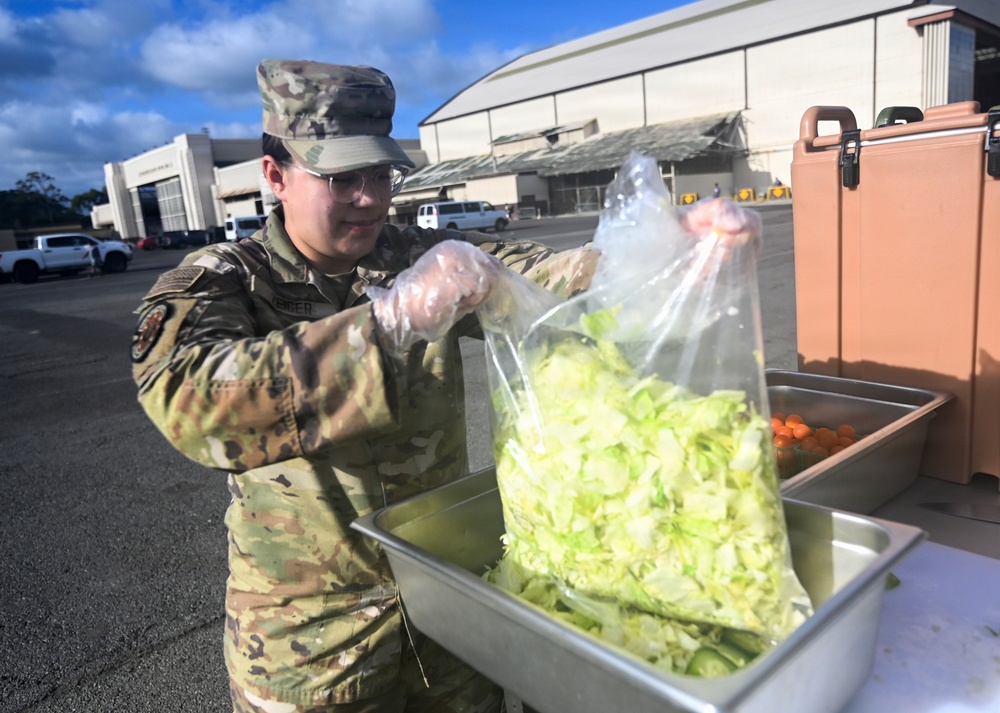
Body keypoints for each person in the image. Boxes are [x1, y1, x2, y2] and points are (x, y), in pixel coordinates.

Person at [130, 59, 598, 713]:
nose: (371, 198)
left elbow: (538, 275)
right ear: (275, 175)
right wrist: (386, 325)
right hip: (312, 645)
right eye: (342, 178)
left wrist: (660, 254)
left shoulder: (416, 255)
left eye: (380, 175)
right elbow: (187, 396)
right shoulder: (225, 278)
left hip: (449, 619)